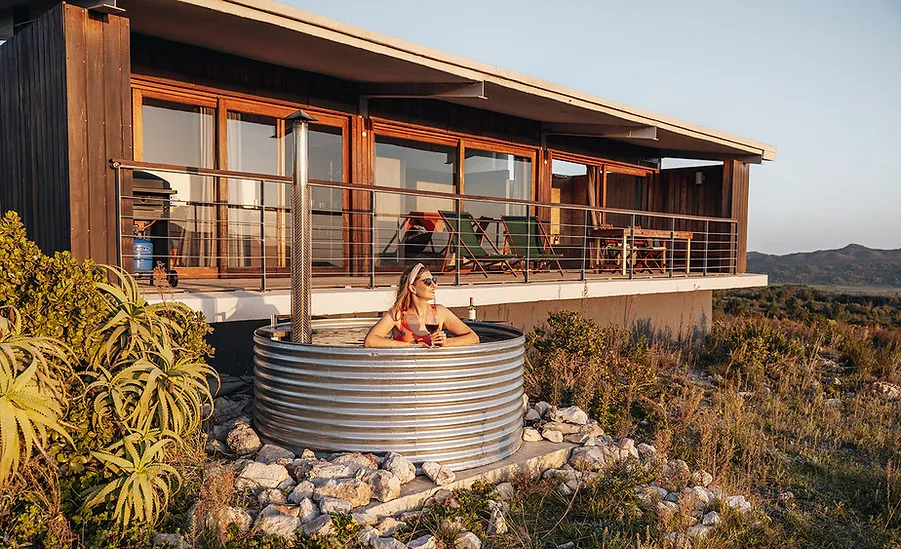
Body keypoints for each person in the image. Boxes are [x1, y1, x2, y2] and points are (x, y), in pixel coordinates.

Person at [364, 263, 480, 348]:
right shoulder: (397, 314)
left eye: (434, 280)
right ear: (412, 288)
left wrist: (446, 342)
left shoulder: (439, 312)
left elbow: (473, 338)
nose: (433, 285)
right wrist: (411, 346)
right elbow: (370, 341)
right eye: (428, 282)